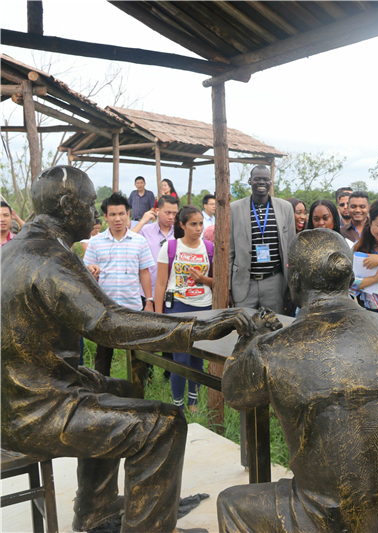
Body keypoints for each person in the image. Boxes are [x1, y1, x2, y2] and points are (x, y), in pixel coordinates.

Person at [2, 165, 254, 533]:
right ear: (68, 207)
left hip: (14, 400)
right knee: (164, 425)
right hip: (33, 413)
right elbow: (109, 323)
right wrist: (199, 328)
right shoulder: (50, 259)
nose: (94, 213)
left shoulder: (16, 249)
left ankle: (96, 509)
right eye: (90, 204)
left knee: (119, 389)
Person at [217, 229, 378, 533]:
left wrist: (248, 341)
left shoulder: (271, 349)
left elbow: (234, 393)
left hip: (332, 519)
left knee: (230, 502)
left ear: (295, 280)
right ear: (349, 277)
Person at [84, 192, 155, 376]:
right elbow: (87, 273)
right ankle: (102, 386)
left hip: (132, 306)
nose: (117, 219)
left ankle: (139, 386)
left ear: (128, 214)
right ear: (105, 217)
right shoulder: (95, 243)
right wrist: (91, 270)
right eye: (113, 214)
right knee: (103, 356)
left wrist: (149, 301)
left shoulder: (139, 241)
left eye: (121, 213)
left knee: (138, 353)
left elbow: (144, 272)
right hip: (105, 309)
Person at [155, 206, 214, 412]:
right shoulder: (170, 247)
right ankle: (177, 405)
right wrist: (159, 315)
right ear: (182, 225)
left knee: (198, 357)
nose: (198, 228)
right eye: (193, 224)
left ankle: (193, 402)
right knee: (180, 359)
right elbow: (160, 283)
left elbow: (217, 281)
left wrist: (203, 279)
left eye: (201, 224)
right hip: (177, 307)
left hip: (204, 307)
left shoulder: (209, 248)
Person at [229, 165, 294, 312]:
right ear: (250, 181)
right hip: (244, 283)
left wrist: (291, 287)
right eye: (257, 179)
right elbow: (229, 251)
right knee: (243, 323)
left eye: (265, 179)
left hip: (274, 282)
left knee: (273, 324)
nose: (261, 182)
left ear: (270, 182)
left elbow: (291, 250)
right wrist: (228, 288)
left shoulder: (285, 208)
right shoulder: (234, 209)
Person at [133, 195, 179, 300]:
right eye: (167, 213)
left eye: (174, 213)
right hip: (147, 292)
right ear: (157, 211)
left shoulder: (180, 232)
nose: (171, 217)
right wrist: (142, 221)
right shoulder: (145, 230)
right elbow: (127, 241)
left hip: (174, 293)